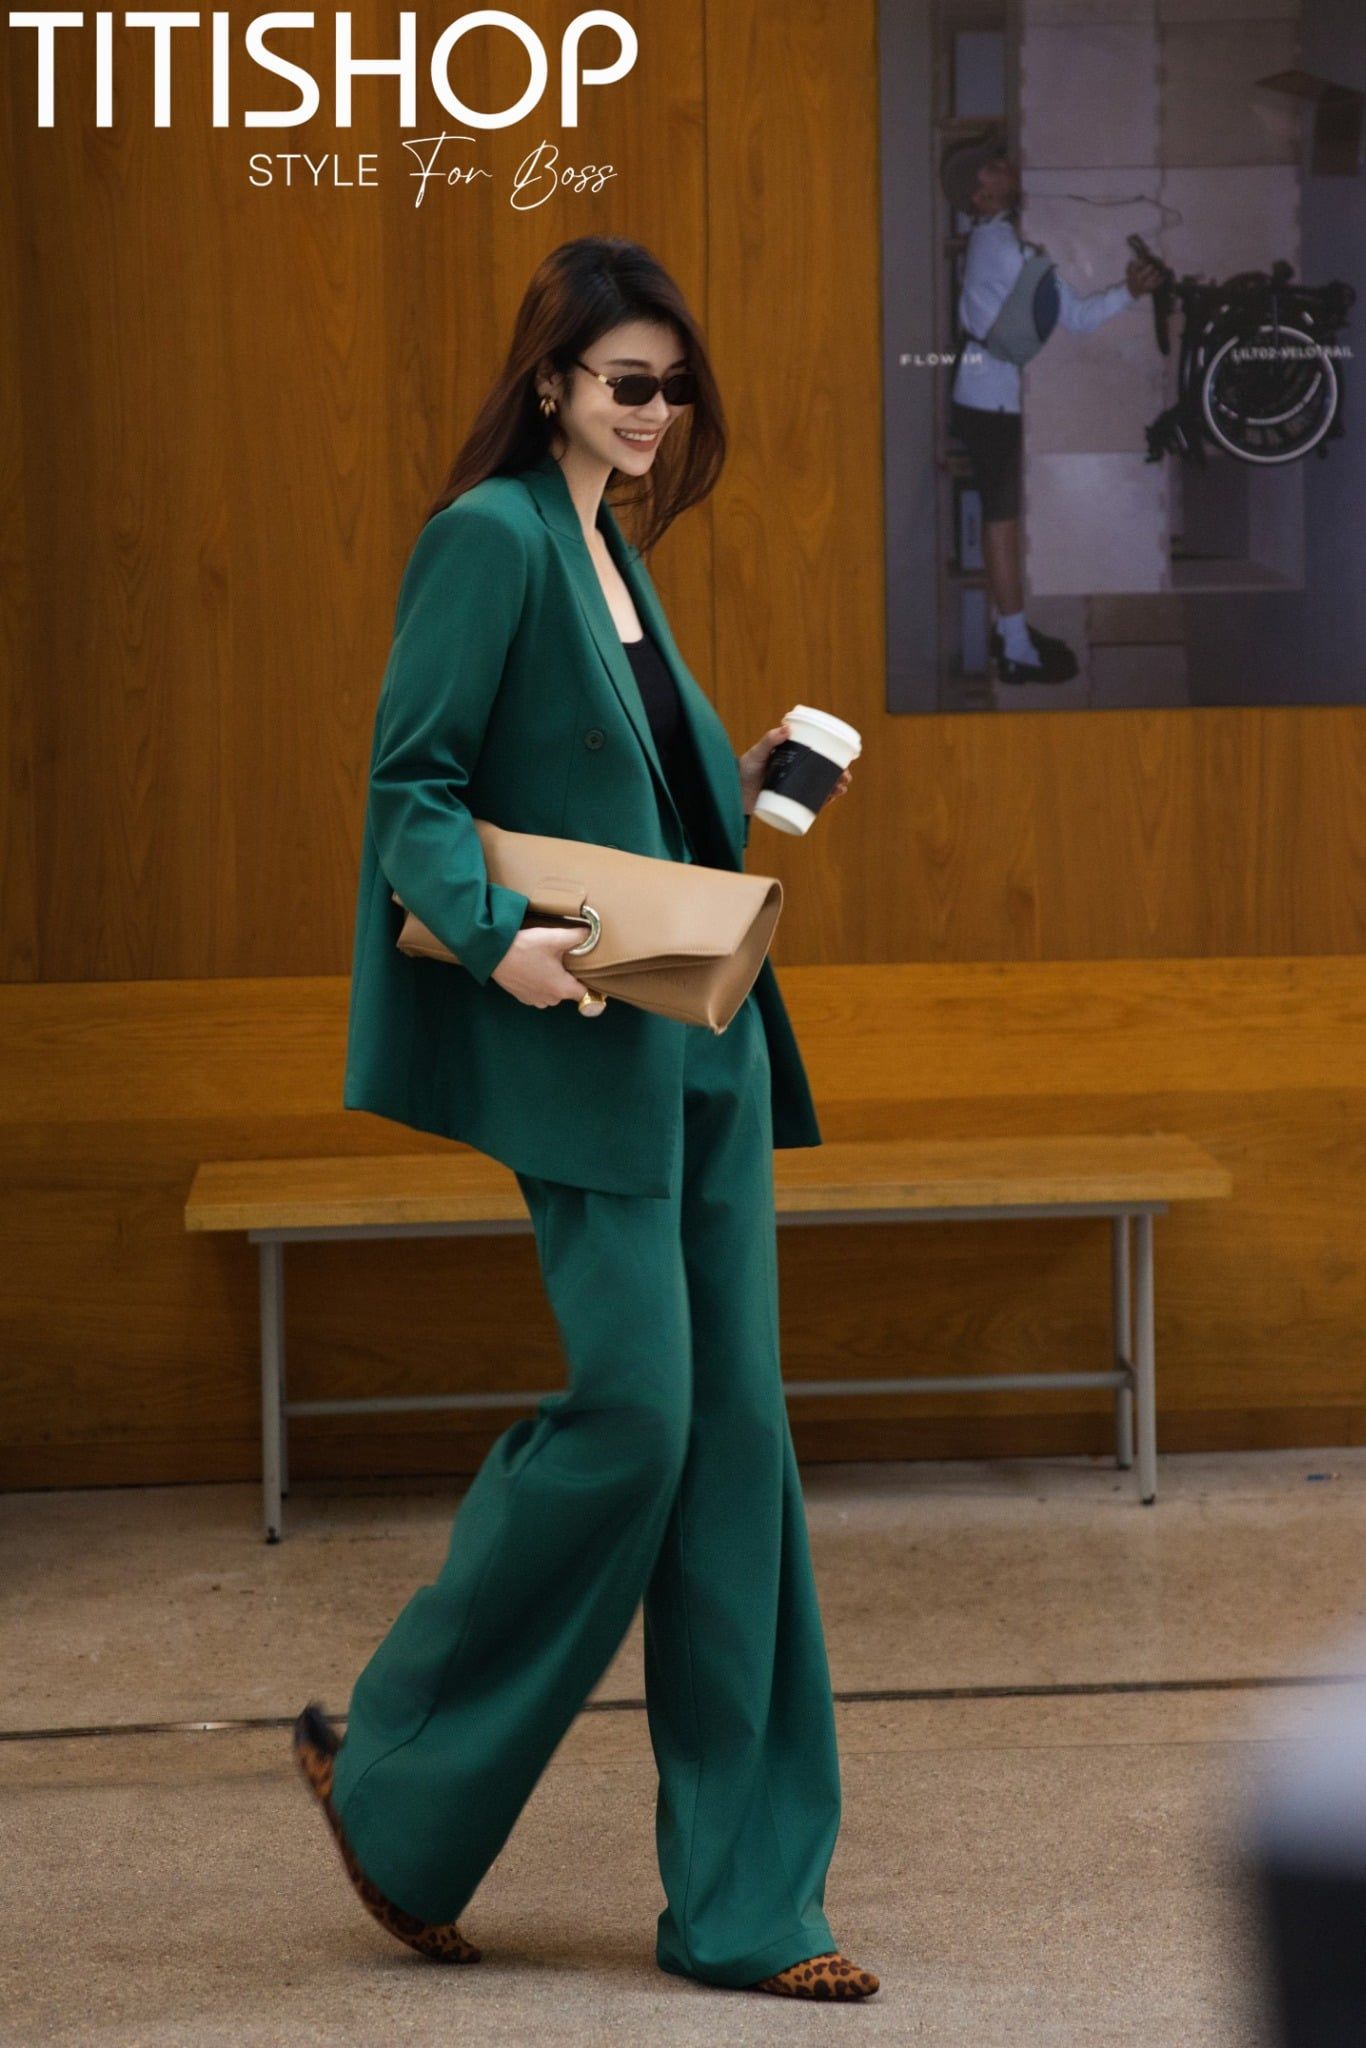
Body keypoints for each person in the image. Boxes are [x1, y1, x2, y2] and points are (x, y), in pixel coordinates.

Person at [292, 235, 877, 2002]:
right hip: (587, 1048)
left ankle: (749, 1906)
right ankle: (396, 1773)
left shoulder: (617, 552)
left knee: (735, 1453)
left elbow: (622, 801)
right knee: (637, 1415)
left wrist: (738, 773)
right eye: (627, 381)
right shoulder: (489, 540)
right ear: (549, 380)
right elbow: (414, 784)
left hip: (700, 1042)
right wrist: (497, 940)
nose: (654, 411)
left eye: (673, 386)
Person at [940, 139, 1165, 685]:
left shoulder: (997, 242)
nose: (1006, 167)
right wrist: (1130, 292)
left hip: (985, 395)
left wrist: (1125, 291)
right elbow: (1079, 317)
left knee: (1003, 518)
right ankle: (1015, 649)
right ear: (980, 194)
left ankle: (1011, 635)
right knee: (1002, 522)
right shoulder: (1004, 249)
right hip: (988, 401)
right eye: (993, 168)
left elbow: (1067, 314)